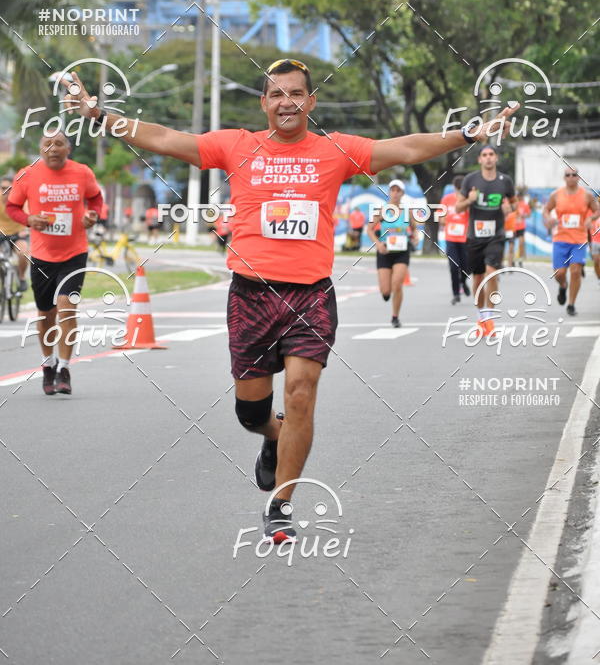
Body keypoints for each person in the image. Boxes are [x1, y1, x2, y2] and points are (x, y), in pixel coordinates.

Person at [62, 59, 517, 541]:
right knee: (251, 414)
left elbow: (404, 147)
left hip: (311, 296)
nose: (287, 102)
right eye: (277, 94)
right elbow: (167, 139)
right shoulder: (237, 145)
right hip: (251, 297)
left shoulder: (335, 150)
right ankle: (271, 438)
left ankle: (281, 504)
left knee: (301, 393)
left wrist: (467, 135)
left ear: (311, 101)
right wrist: (98, 114)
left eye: (296, 93)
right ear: (264, 103)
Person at [6, 132, 103, 394]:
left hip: (75, 252)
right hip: (41, 255)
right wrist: (29, 220)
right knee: (45, 314)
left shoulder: (82, 172)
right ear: (40, 148)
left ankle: (64, 367)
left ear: (68, 148)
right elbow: (13, 206)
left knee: (66, 307)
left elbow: (95, 199)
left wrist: (93, 215)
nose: (52, 149)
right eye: (46, 144)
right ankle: (48, 364)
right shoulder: (27, 174)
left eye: (58, 143)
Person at [455, 145, 517, 336]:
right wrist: (470, 200)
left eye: (491, 155)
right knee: (478, 278)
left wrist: (509, 210)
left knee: (492, 272)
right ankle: (481, 316)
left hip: (496, 235)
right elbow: (458, 208)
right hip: (475, 236)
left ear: (496, 158)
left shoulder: (505, 181)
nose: (488, 158)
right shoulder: (470, 180)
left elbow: (514, 204)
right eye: (484, 155)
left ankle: (489, 317)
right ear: (480, 160)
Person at [543, 168, 598, 315]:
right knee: (560, 273)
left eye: (574, 175)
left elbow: (597, 210)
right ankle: (563, 286)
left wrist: (590, 218)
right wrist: (548, 219)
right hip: (560, 239)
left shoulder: (587, 196)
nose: (571, 177)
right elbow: (546, 210)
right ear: (564, 178)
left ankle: (571, 304)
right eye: (568, 175)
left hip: (579, 240)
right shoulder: (556, 195)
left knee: (575, 271)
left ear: (578, 178)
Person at [366, 180, 417, 327]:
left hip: (402, 251)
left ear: (402, 194)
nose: (395, 193)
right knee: (386, 290)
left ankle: (395, 316)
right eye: (392, 190)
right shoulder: (382, 210)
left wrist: (415, 236)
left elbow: (414, 228)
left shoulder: (407, 212)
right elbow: (369, 230)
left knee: (397, 285)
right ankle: (386, 294)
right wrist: (378, 244)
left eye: (398, 191)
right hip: (385, 250)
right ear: (389, 193)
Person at [439, 175, 470, 304]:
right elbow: (440, 219)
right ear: (454, 188)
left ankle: (463, 281)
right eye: (457, 189)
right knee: (453, 266)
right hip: (451, 238)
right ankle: (456, 293)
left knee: (466, 266)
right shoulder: (446, 199)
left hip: (465, 238)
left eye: (461, 189)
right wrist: (450, 219)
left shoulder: (468, 201)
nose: (458, 193)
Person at [0, 174, 29, 291]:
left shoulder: (20, 200)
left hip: (18, 234)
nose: (6, 191)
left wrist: (26, 229)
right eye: (3, 188)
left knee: (23, 253)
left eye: (9, 189)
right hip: (1, 235)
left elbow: (28, 214)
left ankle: (21, 277)